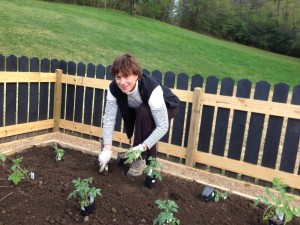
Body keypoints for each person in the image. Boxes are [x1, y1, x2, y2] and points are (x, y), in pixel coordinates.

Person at [98, 53, 180, 176]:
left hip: (167, 106)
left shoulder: (151, 88)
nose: (122, 82)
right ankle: (135, 158)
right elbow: (109, 119)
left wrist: (142, 147)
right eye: (118, 77)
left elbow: (163, 126)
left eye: (127, 77)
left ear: (136, 75)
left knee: (143, 112)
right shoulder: (113, 88)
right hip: (140, 108)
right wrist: (106, 149)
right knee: (143, 114)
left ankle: (140, 160)